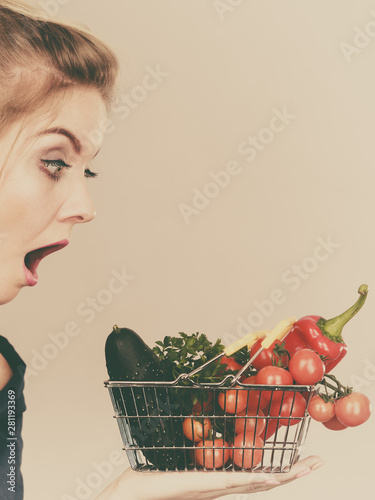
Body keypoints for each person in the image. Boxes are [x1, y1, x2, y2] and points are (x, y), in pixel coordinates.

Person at [0, 1, 323, 499]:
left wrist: (127, 494)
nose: (85, 207)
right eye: (54, 161)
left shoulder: (5, 368)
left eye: (86, 171)